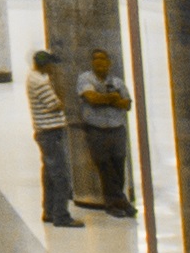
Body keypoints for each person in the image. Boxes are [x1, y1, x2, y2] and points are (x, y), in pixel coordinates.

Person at [23, 47, 88, 224]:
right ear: (45, 65)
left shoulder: (34, 77)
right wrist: (60, 83)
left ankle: (49, 210)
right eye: (52, 65)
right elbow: (57, 103)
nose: (54, 68)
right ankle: (61, 215)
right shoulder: (40, 82)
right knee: (60, 176)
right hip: (50, 133)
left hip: (45, 132)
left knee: (50, 174)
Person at [73, 49, 136, 218]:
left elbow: (127, 103)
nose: (99, 62)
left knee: (118, 165)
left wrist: (109, 99)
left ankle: (117, 201)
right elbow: (91, 98)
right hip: (96, 130)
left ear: (109, 62)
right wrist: (112, 99)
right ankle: (116, 202)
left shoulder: (117, 82)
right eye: (96, 59)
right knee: (104, 166)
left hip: (117, 129)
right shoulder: (86, 79)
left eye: (102, 59)